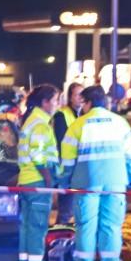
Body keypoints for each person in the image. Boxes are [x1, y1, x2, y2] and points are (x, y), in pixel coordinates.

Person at [62, 85, 131, 261]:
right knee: (112, 226)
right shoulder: (120, 123)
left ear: (87, 103)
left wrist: (63, 181)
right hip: (115, 182)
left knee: (86, 226)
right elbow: (130, 157)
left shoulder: (78, 125)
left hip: (86, 183)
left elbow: (68, 161)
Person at [16, 84, 61, 261]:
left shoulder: (30, 121)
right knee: (37, 226)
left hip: (26, 181)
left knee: (27, 226)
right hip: (38, 182)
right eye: (56, 100)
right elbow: (39, 156)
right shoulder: (41, 124)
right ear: (45, 102)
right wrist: (49, 180)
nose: (58, 104)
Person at [52, 82, 85, 224]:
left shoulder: (83, 115)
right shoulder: (62, 114)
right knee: (66, 208)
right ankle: (59, 236)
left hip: (80, 167)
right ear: (70, 97)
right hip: (67, 167)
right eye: (77, 94)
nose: (80, 98)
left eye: (83, 94)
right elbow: (61, 142)